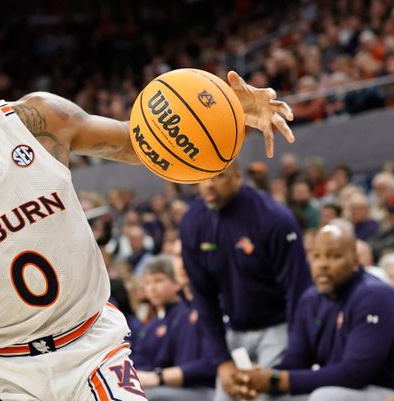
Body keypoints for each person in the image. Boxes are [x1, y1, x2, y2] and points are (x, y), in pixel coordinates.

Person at [0, 46, 294, 399]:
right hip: (2, 374)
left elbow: (142, 144)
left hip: (92, 348)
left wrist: (228, 116)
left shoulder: (35, 121)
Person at [180, 162, 312, 401]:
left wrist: (293, 357)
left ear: (238, 177)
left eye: (219, 176)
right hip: (235, 331)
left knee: (266, 397)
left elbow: (298, 292)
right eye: (204, 176)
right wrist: (221, 360)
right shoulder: (192, 222)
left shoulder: (274, 218)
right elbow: (202, 296)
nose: (209, 184)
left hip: (278, 327)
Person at [235, 222, 394, 401]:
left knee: (324, 397)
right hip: (340, 387)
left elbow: (355, 373)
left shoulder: (374, 296)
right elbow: (297, 360)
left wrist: (278, 380)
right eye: (316, 256)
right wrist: (267, 376)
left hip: (381, 390)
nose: (323, 264)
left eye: (334, 256)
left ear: (355, 261)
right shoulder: (310, 299)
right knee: (264, 395)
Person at [130, 255, 216, 401]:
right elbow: (156, 358)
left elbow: (209, 364)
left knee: (146, 396)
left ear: (176, 282)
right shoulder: (160, 321)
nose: (152, 288)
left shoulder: (188, 312)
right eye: (147, 283)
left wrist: (158, 376)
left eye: (159, 281)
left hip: (204, 388)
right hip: (181, 386)